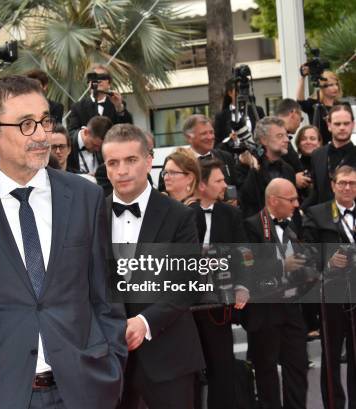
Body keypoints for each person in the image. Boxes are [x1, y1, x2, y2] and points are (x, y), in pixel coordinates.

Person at [0, 75, 127, 408]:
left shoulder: (85, 196)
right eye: (26, 124)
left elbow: (105, 296)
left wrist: (111, 366)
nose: (42, 134)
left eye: (45, 121)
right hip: (0, 392)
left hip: (84, 389)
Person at [102, 123, 204, 409]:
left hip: (168, 354)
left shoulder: (179, 216)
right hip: (107, 360)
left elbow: (187, 283)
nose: (121, 170)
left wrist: (144, 322)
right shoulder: (91, 214)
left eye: (131, 160)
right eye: (113, 162)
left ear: (149, 161)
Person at [243, 178, 309, 409]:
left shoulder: (292, 226)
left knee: (298, 367)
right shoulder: (251, 226)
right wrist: (282, 266)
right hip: (264, 310)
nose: (296, 204)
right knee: (266, 371)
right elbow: (247, 270)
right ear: (273, 200)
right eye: (290, 199)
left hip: (291, 307)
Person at [192, 158, 250, 409]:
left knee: (222, 365)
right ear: (202, 185)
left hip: (219, 302)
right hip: (188, 302)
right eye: (219, 180)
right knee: (192, 369)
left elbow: (244, 253)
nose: (225, 185)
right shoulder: (183, 213)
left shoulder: (231, 214)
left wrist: (243, 285)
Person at [302, 165, 356, 409]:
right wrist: (328, 260)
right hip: (331, 295)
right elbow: (308, 253)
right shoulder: (317, 213)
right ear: (333, 185)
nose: (347, 187)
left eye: (352, 183)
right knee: (331, 355)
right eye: (343, 182)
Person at [158, 114, 241, 192]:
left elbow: (238, 187)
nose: (210, 137)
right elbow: (164, 192)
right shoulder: (175, 162)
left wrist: (235, 199)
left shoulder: (226, 157)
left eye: (211, 132)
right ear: (189, 137)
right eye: (204, 133)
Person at [239, 116, 297, 217]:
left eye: (286, 135)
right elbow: (247, 200)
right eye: (280, 136)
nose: (287, 140)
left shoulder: (288, 169)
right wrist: (254, 168)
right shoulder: (246, 165)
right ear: (264, 140)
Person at [303, 104, 355, 209]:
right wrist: (301, 210)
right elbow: (317, 192)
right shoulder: (317, 154)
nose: (342, 128)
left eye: (346, 123)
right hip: (323, 220)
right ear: (329, 125)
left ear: (353, 124)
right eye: (337, 124)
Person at [67, 64, 133, 134]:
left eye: (102, 77)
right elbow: (72, 134)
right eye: (94, 77)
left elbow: (128, 130)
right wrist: (84, 135)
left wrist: (119, 108)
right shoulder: (78, 107)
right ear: (89, 83)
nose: (98, 80)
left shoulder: (118, 105)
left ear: (109, 84)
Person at [96, 131, 154, 197]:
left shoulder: (147, 176)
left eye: (131, 161)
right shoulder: (103, 171)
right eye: (113, 163)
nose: (122, 172)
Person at [213, 77, 265, 148]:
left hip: (256, 155)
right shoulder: (221, 116)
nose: (242, 93)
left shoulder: (257, 111)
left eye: (244, 90)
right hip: (232, 156)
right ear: (230, 93)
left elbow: (266, 135)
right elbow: (216, 144)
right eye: (238, 90)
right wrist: (229, 140)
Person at [297, 68, 343, 144]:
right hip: (318, 148)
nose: (335, 88)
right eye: (331, 85)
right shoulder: (314, 104)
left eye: (336, 84)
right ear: (321, 87)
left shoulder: (340, 106)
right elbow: (300, 101)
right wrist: (303, 77)